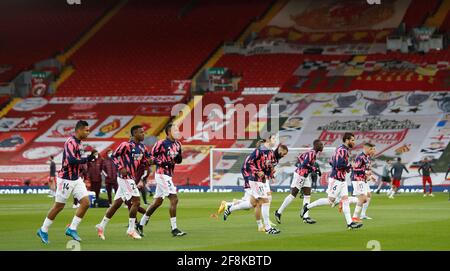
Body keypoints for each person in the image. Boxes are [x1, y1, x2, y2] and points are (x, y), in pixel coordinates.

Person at [37, 120, 95, 244]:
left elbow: (78, 161)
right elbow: (72, 160)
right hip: (65, 179)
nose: (88, 132)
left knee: (85, 203)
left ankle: (72, 228)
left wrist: (87, 161)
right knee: (59, 206)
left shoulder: (79, 143)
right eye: (86, 130)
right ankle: (43, 229)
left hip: (76, 178)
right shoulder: (71, 142)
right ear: (78, 130)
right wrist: (87, 159)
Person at [95, 125, 149, 240]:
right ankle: (131, 229)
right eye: (141, 132)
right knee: (136, 201)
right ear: (134, 133)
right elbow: (114, 157)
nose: (143, 134)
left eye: (144, 132)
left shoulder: (143, 148)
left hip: (131, 178)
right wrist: (120, 167)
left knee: (117, 203)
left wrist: (156, 160)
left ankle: (101, 226)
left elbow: (145, 161)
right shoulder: (126, 145)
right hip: (124, 177)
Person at [300, 132, 362, 230]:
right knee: (330, 201)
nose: (354, 142)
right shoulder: (342, 151)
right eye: (352, 140)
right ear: (347, 140)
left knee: (345, 200)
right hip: (336, 179)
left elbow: (331, 162)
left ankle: (350, 223)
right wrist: (350, 166)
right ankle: (307, 207)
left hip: (342, 179)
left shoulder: (342, 149)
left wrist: (346, 167)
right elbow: (338, 165)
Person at [222, 135, 284, 229]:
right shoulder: (260, 151)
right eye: (273, 139)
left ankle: (230, 206)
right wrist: (256, 173)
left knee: (253, 203)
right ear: (268, 140)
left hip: (259, 178)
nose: (275, 141)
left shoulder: (270, 153)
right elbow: (248, 164)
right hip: (252, 177)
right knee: (263, 201)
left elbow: (267, 168)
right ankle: (264, 226)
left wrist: (271, 174)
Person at [139, 123, 186, 237]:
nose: (178, 132)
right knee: (174, 199)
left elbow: (178, 160)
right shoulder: (161, 143)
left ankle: (140, 224)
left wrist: (179, 157)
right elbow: (150, 157)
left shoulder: (178, 144)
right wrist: (161, 162)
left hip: (168, 175)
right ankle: (174, 229)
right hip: (161, 174)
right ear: (169, 132)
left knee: (157, 202)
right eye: (175, 130)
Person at [275, 139, 324, 225]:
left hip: (305, 175)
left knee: (307, 195)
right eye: (320, 145)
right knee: (293, 195)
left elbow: (300, 157)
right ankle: (278, 212)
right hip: (300, 175)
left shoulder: (312, 153)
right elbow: (304, 164)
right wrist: (314, 169)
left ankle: (306, 217)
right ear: (316, 145)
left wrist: (315, 169)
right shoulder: (312, 153)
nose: (322, 146)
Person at [350, 143, 376, 222]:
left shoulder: (367, 157)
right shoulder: (360, 157)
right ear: (366, 149)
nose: (373, 151)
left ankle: (362, 215)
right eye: (372, 149)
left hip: (364, 179)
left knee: (368, 196)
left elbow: (367, 169)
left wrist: (370, 176)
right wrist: (365, 172)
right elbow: (355, 169)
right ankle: (354, 216)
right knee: (363, 199)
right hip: (357, 179)